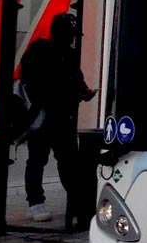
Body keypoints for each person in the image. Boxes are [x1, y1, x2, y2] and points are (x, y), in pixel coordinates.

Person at [18, 12, 98, 221]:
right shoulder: (40, 51)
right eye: (69, 34)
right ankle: (36, 202)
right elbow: (31, 81)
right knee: (40, 159)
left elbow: (76, 80)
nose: (71, 39)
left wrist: (83, 92)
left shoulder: (68, 55)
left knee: (66, 161)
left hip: (62, 116)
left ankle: (75, 202)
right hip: (44, 115)